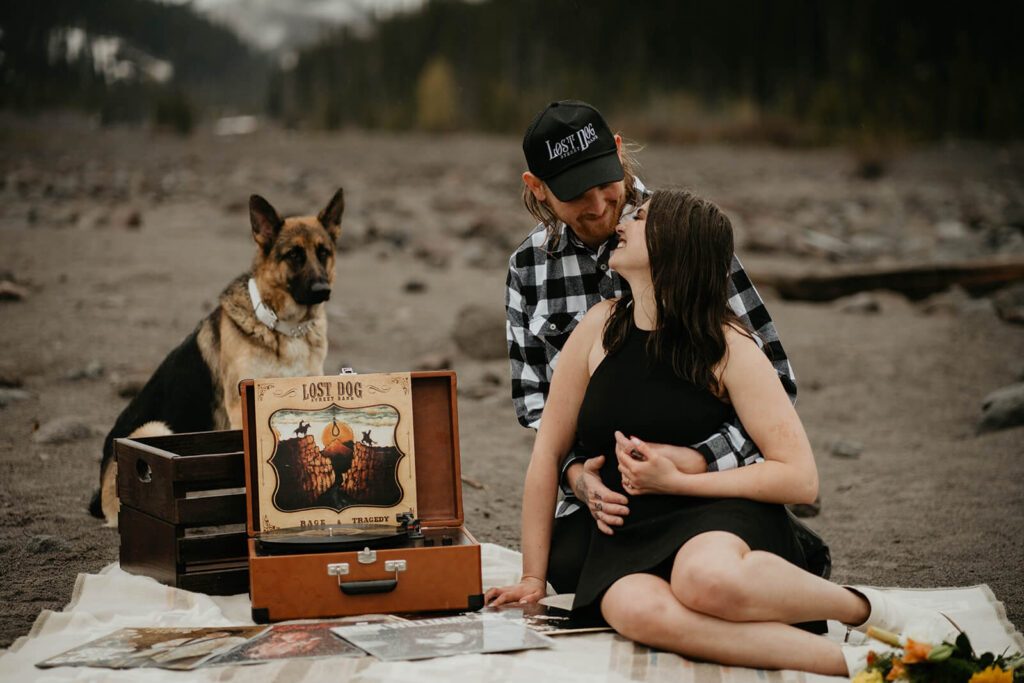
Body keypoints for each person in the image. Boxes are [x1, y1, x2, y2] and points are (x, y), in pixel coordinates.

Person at [487, 190, 954, 675]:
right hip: (629, 531)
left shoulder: (727, 344)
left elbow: (799, 478)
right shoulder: (598, 327)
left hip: (717, 513)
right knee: (632, 609)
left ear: (675, 244)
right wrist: (532, 577)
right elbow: (547, 453)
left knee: (703, 580)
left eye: (642, 216)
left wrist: (681, 482)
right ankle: (865, 664)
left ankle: (868, 610)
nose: (625, 219)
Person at [504, 100, 826, 593]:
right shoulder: (529, 268)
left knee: (699, 574)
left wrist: (694, 462)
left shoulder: (682, 233)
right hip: (603, 500)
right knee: (587, 580)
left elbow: (774, 381)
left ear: (617, 153)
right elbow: (537, 410)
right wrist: (576, 478)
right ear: (537, 188)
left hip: (704, 491)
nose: (598, 207)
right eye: (574, 195)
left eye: (604, 185)